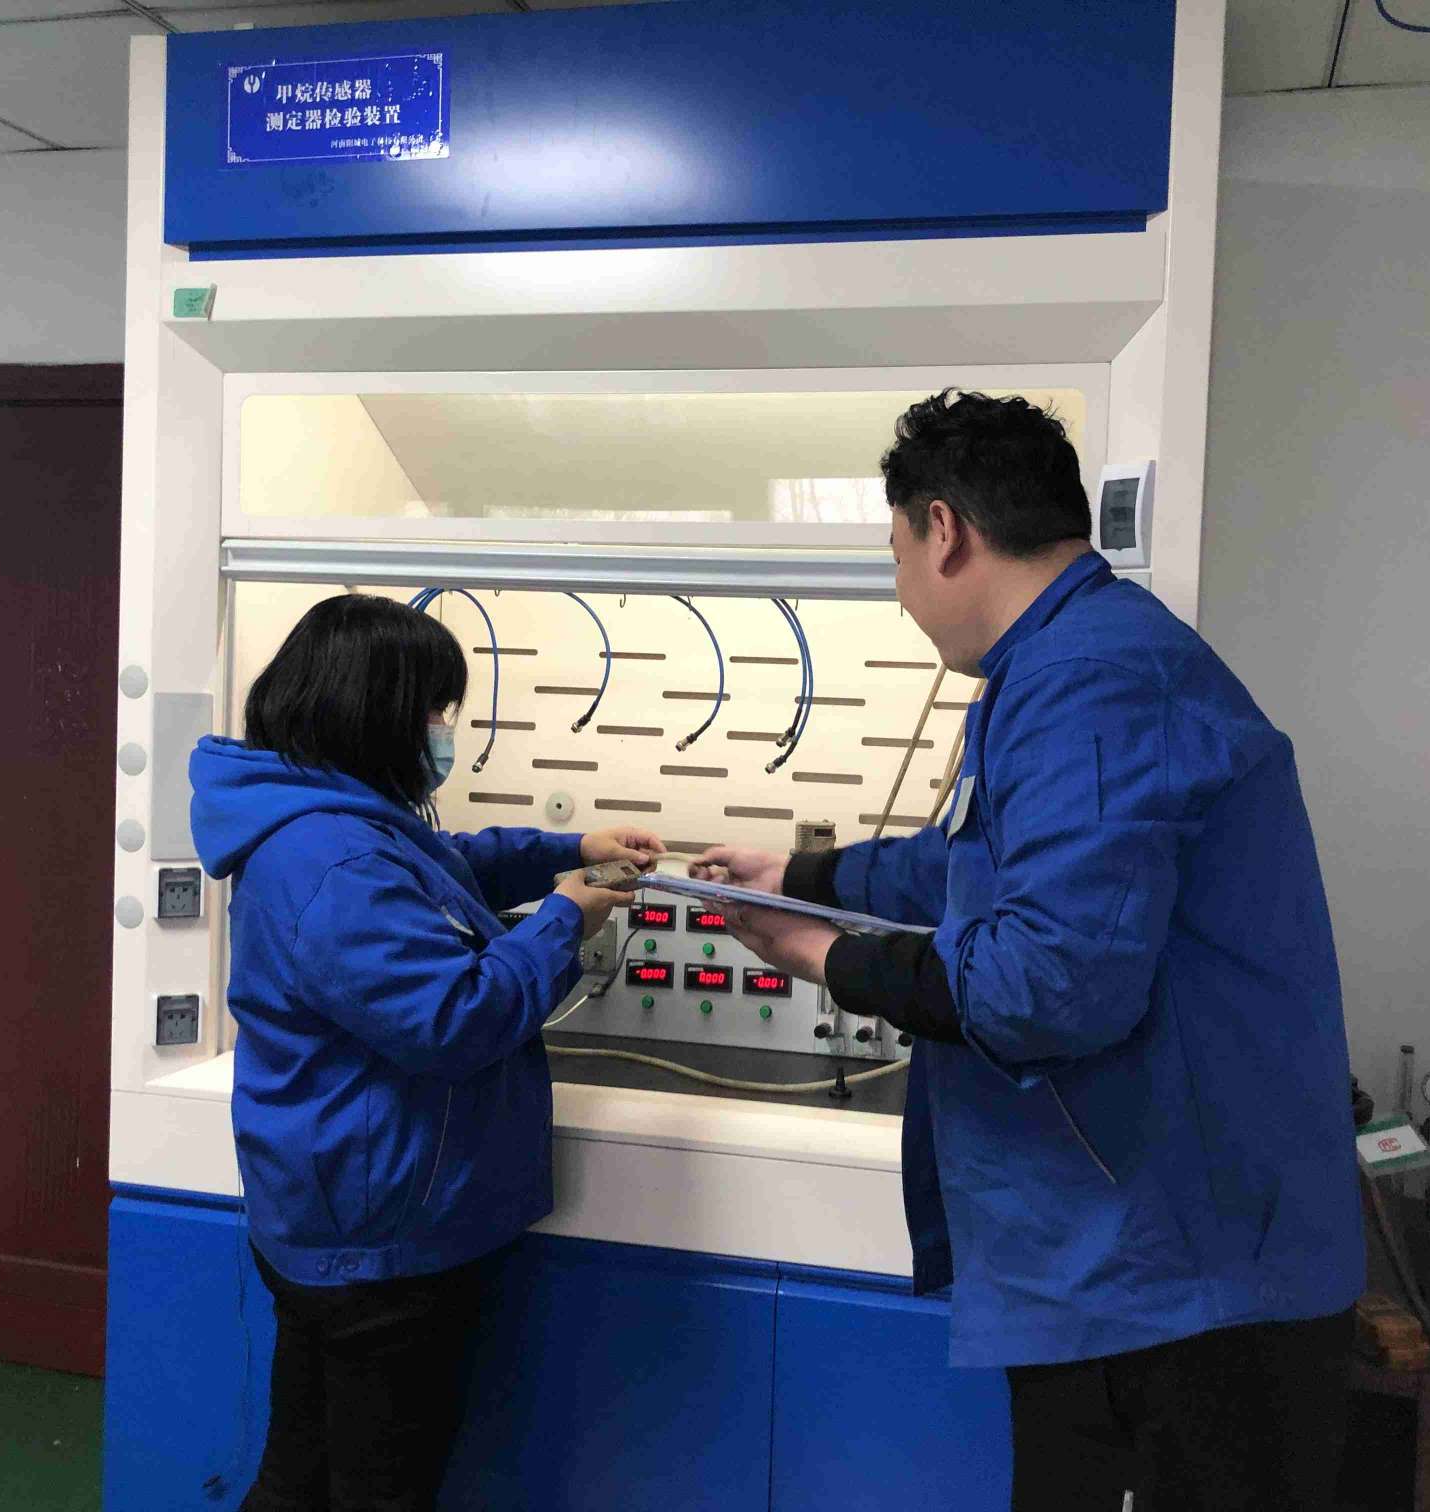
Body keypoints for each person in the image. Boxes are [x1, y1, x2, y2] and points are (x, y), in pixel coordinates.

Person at [697, 391, 1364, 1511]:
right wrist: (801, 877)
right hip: (1137, 1265)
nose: (902, 590)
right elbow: (969, 865)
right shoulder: (1064, 665)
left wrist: (822, 958)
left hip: (1181, 1289)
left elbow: (1045, 985)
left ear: (944, 529)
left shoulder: (1090, 679)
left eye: (896, 553)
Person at [188, 593, 658, 1512]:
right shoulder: (336, 863)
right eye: (435, 710)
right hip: (380, 1246)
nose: (442, 731)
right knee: (376, 1490)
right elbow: (457, 1021)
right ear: (378, 713)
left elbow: (448, 866)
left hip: (337, 1216)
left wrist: (571, 848)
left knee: (301, 1476)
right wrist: (565, 918)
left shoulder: (327, 820)